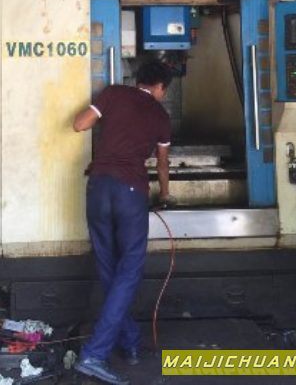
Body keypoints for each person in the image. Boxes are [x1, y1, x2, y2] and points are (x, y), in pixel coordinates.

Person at [72, 60, 174, 385]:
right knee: (129, 271)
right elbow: (162, 165)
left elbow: (79, 124)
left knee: (109, 269)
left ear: (138, 79)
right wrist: (165, 195)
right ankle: (94, 354)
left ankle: (129, 340)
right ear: (160, 87)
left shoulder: (113, 94)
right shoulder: (160, 115)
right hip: (130, 193)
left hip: (98, 187)